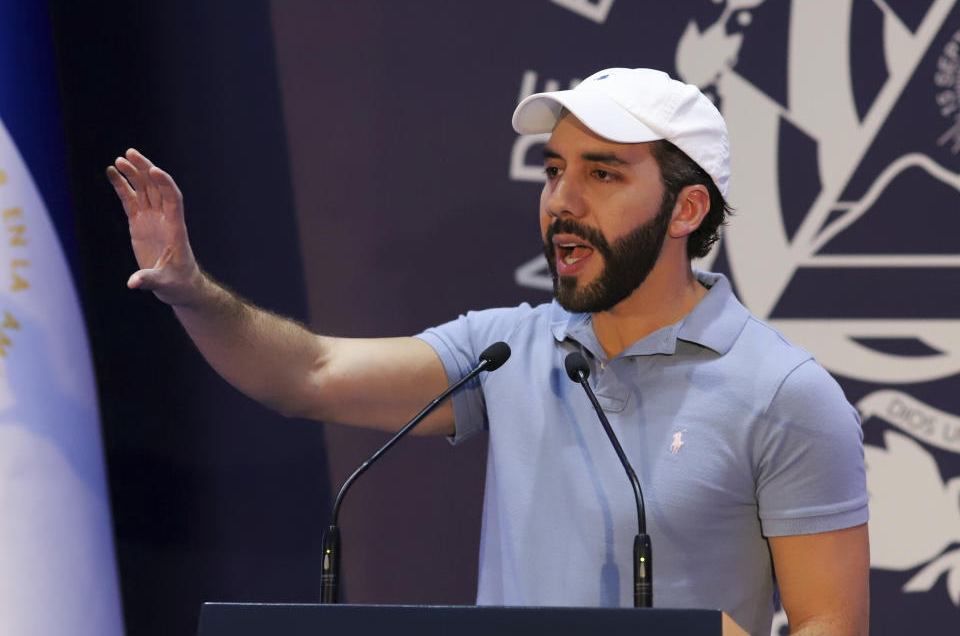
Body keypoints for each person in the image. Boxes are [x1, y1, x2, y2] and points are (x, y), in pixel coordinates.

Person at [107, 67, 869, 635]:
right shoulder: (505, 349)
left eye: (602, 173)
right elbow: (311, 374)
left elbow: (831, 626)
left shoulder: (785, 394)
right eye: (554, 170)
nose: (562, 200)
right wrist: (192, 290)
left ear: (687, 209)